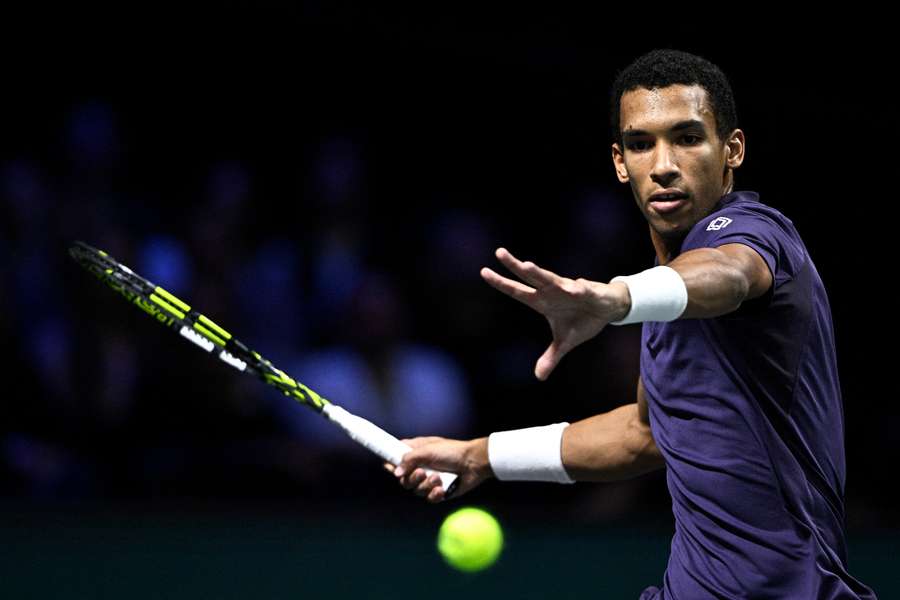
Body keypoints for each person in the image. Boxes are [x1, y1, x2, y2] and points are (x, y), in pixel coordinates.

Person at [387, 49, 877, 598]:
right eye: (642, 144)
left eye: (688, 138)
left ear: (731, 150)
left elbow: (730, 273)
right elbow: (644, 433)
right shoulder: (661, 295)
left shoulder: (756, 234)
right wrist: (480, 455)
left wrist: (617, 299)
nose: (662, 163)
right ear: (621, 163)